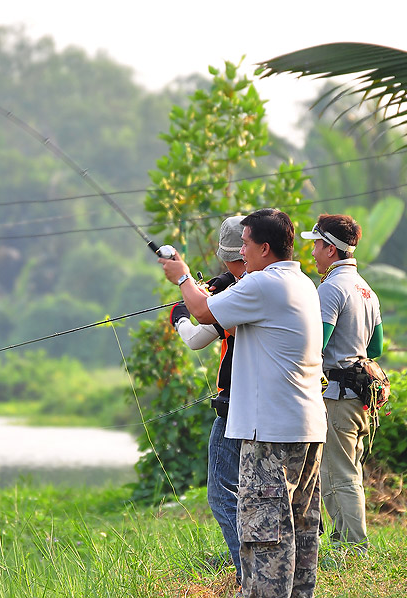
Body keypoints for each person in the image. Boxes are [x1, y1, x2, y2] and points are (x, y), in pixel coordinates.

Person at [160, 208, 326, 598]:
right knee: (298, 543)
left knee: (265, 540)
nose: (241, 254)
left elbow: (200, 314)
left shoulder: (263, 285)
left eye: (246, 245)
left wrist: (182, 277)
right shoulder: (300, 282)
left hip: (270, 434)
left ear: (265, 248)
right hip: (305, 430)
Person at [168, 215, 246, 585]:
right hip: (269, 409)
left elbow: (197, 337)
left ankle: (249, 573)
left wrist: (181, 314)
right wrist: (222, 285)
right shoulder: (282, 283)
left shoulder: (243, 295)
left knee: (222, 494)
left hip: (237, 407)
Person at [300, 214, 383, 552]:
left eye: (317, 245)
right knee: (351, 471)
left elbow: (316, 344)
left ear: (331, 249)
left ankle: (351, 548)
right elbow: (375, 348)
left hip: (338, 395)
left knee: (337, 474)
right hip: (361, 396)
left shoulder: (331, 288)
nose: (314, 253)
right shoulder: (367, 290)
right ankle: (346, 542)